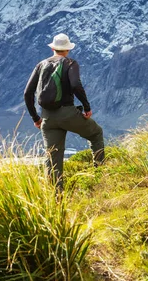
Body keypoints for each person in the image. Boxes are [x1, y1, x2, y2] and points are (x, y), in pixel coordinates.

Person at [24, 33, 105, 192]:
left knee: (53, 158)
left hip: (47, 117)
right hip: (68, 113)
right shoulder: (70, 63)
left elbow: (27, 93)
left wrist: (36, 118)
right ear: (67, 49)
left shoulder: (41, 64)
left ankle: (57, 199)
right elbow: (75, 85)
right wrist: (86, 107)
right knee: (96, 133)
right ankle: (100, 176)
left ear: (53, 48)